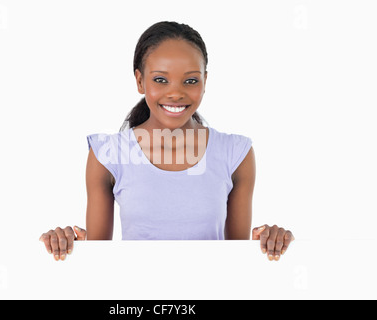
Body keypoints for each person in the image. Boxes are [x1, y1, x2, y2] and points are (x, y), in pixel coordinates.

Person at [39, 21, 294, 262]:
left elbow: (237, 261)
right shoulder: (107, 154)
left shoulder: (235, 154)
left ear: (205, 81)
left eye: (191, 80)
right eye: (160, 80)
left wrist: (270, 243)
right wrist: (66, 245)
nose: (175, 93)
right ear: (140, 81)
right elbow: (98, 261)